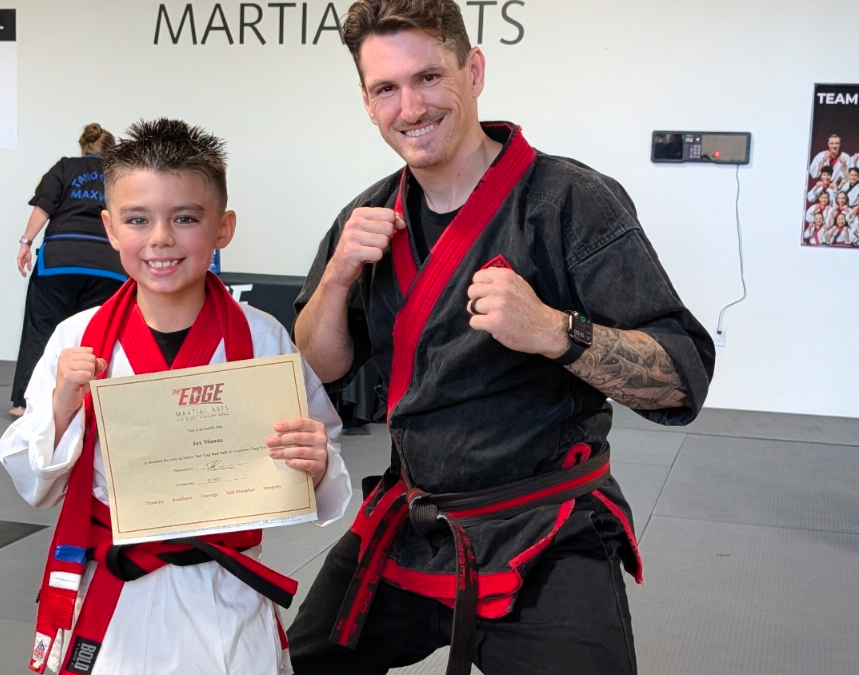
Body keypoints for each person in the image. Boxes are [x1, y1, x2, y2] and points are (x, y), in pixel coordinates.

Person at [286, 3, 714, 675]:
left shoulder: (569, 202)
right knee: (303, 662)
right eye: (386, 88)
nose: (410, 107)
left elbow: (681, 379)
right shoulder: (367, 217)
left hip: (544, 525)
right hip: (415, 518)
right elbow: (319, 364)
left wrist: (555, 332)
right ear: (367, 103)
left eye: (429, 77)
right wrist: (338, 276)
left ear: (474, 70)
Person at [0, 119, 353, 675]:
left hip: (222, 594)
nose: (160, 238)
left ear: (223, 228)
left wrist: (317, 460)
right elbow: (36, 485)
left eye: (185, 218)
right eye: (138, 219)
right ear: (110, 228)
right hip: (113, 593)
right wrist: (64, 404)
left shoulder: (262, 338)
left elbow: (319, 452)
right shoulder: (78, 338)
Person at [10, 124, 127, 417]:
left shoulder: (65, 167)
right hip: (108, 265)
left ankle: (24, 404)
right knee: (97, 335)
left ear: (83, 147)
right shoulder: (119, 174)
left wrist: (26, 242)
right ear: (110, 150)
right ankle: (95, 405)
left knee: (41, 331)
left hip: (60, 262)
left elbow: (44, 207)